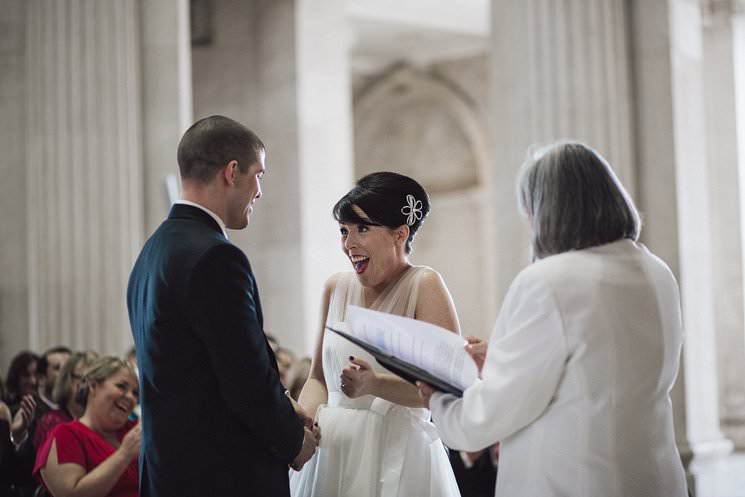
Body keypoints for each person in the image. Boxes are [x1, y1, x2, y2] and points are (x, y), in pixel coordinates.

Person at [418, 141, 689, 497]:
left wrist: (437, 399)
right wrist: (500, 358)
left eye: (529, 211)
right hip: (653, 479)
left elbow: (490, 414)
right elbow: (597, 365)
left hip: (572, 482)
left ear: (543, 211)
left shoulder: (547, 281)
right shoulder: (656, 271)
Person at [127, 115, 318, 497]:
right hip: (221, 475)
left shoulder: (152, 253)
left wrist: (284, 403)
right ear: (232, 172)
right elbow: (243, 376)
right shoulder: (215, 257)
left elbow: (196, 366)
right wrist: (294, 441)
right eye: (258, 174)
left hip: (169, 473)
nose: (260, 191)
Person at [290, 172, 462, 497]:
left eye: (362, 229)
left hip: (397, 451)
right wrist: (302, 424)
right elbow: (317, 380)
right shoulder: (334, 288)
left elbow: (447, 387)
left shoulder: (424, 285)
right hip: (332, 453)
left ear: (400, 233)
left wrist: (374, 385)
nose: (349, 243)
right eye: (344, 231)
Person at [34, 356, 140, 497]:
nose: (130, 397)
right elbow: (72, 494)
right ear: (93, 386)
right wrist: (124, 454)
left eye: (135, 393)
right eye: (121, 386)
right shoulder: (65, 435)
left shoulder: (134, 430)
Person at [33, 351, 97, 450]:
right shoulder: (52, 422)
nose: (89, 386)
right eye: (83, 379)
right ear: (67, 380)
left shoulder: (101, 421)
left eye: (96, 380)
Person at [36, 346, 72, 416]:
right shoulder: (31, 411)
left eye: (67, 368)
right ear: (41, 378)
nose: (64, 374)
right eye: (57, 368)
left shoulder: (76, 410)